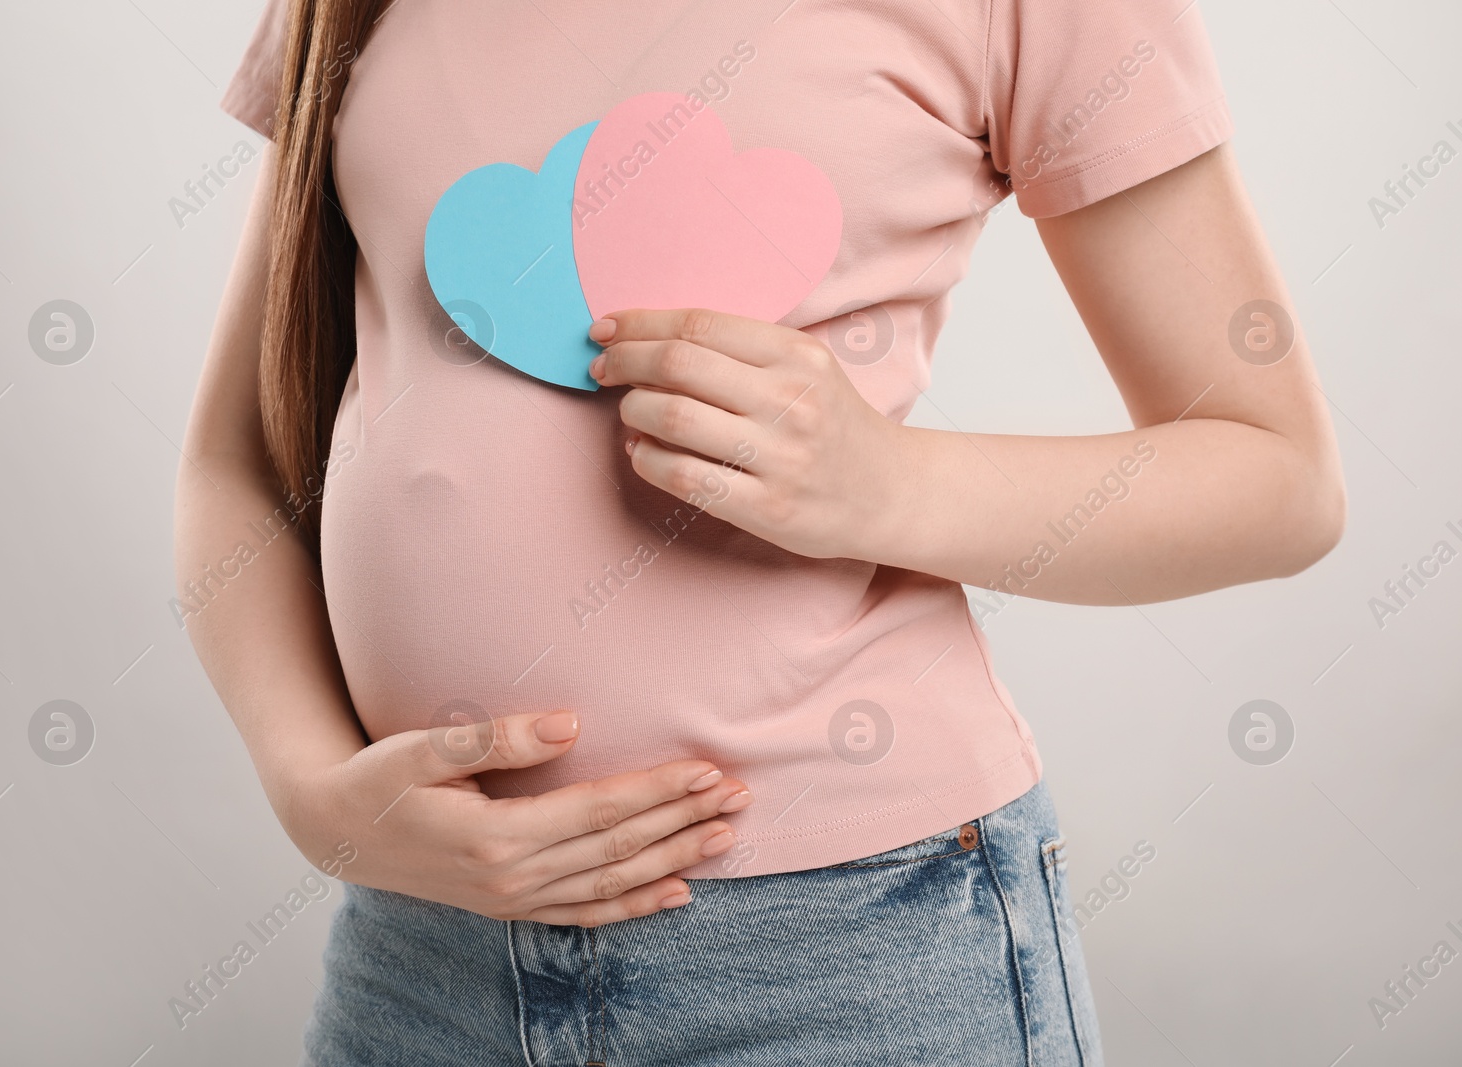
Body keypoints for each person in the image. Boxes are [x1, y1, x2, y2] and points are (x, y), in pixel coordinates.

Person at [175, 0, 1345, 1062]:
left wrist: (889, 481)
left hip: (847, 953)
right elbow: (235, 459)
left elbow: (1277, 477)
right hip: (424, 950)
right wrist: (314, 789)